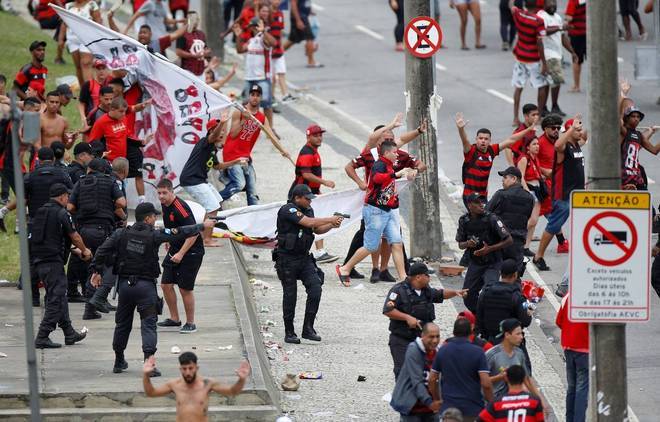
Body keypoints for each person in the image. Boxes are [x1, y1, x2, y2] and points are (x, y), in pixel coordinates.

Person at [89, 202, 215, 375]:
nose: (156, 219)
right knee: (148, 325)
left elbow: (102, 250)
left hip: (125, 287)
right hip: (145, 288)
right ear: (148, 218)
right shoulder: (155, 235)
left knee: (122, 325)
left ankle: (119, 361)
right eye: (154, 216)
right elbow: (181, 232)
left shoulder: (120, 234)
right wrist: (202, 226)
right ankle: (149, 365)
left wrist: (96, 271)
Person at [344, 114, 428, 282]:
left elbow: (405, 142)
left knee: (395, 241)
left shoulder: (396, 153)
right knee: (368, 241)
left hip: (391, 205)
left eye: (392, 139)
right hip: (375, 205)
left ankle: (396, 273)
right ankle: (352, 267)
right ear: (379, 143)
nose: (391, 142)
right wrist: (362, 182)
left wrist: (418, 132)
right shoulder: (372, 156)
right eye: (386, 139)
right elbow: (375, 176)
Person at [335, 141, 417, 286]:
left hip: (389, 209)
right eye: (394, 152)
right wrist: (396, 174)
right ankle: (345, 268)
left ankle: (403, 278)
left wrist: (409, 172)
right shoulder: (379, 165)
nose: (397, 154)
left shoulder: (390, 165)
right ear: (386, 153)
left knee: (396, 243)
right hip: (375, 211)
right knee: (371, 246)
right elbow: (377, 178)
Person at [274, 184, 344, 344]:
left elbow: (317, 230)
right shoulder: (288, 210)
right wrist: (330, 219)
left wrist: (332, 224)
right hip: (287, 259)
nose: (310, 202)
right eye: (307, 199)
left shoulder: (308, 210)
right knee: (290, 295)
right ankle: (289, 332)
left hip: (304, 258)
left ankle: (308, 328)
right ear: (297, 197)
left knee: (315, 289)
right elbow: (307, 222)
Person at [31, 183, 91, 348]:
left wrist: (76, 251)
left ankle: (69, 333)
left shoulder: (41, 212)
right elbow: (74, 236)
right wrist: (85, 250)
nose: (68, 199)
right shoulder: (61, 213)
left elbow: (52, 237)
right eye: (67, 196)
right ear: (63, 196)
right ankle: (43, 335)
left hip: (40, 262)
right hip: (52, 262)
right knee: (56, 300)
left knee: (60, 297)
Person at [382, 262, 467, 378]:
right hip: (402, 339)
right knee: (402, 371)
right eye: (427, 275)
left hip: (422, 340)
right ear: (418, 277)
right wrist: (407, 317)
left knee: (423, 372)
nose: (429, 278)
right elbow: (388, 310)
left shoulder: (426, 290)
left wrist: (455, 293)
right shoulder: (398, 290)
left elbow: (440, 294)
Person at [68, 158, 127, 319]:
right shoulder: (110, 182)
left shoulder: (80, 182)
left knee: (91, 268)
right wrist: (110, 205)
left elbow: (70, 207)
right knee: (110, 265)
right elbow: (121, 202)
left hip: (84, 231)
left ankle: (89, 310)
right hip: (103, 231)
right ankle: (99, 297)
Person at [220, 84, 290, 205]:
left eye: (258, 95)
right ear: (249, 96)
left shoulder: (262, 118)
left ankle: (255, 215)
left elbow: (271, 135)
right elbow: (232, 134)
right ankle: (216, 200)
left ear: (261, 98)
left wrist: (283, 150)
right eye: (253, 95)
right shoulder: (239, 111)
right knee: (240, 184)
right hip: (232, 155)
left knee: (252, 191)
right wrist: (244, 120)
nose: (255, 98)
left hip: (246, 157)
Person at [533, 116, 586, 271]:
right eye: (577, 130)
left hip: (577, 194)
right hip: (563, 194)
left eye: (579, 129)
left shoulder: (576, 145)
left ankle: (582, 253)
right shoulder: (564, 147)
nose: (580, 132)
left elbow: (587, 136)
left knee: (582, 224)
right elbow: (557, 145)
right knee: (554, 225)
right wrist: (570, 129)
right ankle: (538, 256)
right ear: (568, 132)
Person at [143, 352, 251, 421]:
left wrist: (241, 379)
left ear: (197, 368)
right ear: (180, 369)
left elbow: (232, 391)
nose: (188, 372)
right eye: (184, 369)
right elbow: (151, 393)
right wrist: (146, 375)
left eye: (191, 368)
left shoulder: (208, 384)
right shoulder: (174, 385)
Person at [157, 179, 204, 334]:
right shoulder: (165, 205)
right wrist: (170, 241)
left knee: (185, 288)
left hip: (191, 252)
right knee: (165, 285)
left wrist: (181, 253)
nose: (161, 196)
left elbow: (194, 233)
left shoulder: (180, 208)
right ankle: (174, 319)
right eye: (159, 193)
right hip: (175, 248)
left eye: (164, 193)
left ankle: (191, 323)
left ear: (172, 192)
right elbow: (172, 228)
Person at [455, 112, 534, 205]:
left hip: (482, 196)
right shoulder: (471, 151)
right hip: (470, 196)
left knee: (486, 217)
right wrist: (461, 129)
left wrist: (528, 130)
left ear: (490, 141)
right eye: (480, 138)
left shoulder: (491, 150)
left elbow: (511, 140)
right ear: (476, 139)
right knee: (484, 217)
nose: (483, 141)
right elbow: (465, 141)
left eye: (486, 139)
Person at [456, 193, 512, 312]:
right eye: (477, 203)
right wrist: (468, 244)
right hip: (475, 263)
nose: (481, 205)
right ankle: (480, 316)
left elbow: (509, 240)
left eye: (482, 202)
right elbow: (460, 244)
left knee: (491, 292)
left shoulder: (492, 218)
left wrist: (489, 249)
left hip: (493, 262)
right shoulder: (464, 220)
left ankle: (490, 317)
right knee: (467, 295)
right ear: (470, 206)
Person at [428, 318, 493, 421]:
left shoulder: (443, 350)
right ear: (470, 332)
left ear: (454, 332)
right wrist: (491, 403)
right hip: (472, 408)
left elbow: (431, 379)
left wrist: (437, 399)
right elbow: (486, 384)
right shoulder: (478, 352)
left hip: (449, 408)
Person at [180, 116, 231, 246]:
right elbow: (213, 136)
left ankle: (203, 234)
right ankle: (206, 239)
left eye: (223, 131)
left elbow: (217, 166)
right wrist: (223, 123)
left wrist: (236, 161)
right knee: (212, 207)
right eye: (219, 131)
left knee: (217, 202)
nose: (222, 133)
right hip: (192, 180)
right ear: (211, 132)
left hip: (200, 180)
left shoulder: (212, 149)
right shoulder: (205, 142)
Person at [289, 124, 337, 264]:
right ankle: (317, 252)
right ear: (308, 137)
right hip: (301, 195)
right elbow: (306, 174)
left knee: (314, 219)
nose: (319, 138)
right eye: (315, 136)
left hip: (309, 193)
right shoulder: (307, 153)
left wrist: (317, 190)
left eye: (320, 135)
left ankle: (319, 251)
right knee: (306, 221)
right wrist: (324, 182)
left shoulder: (313, 151)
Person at [486, 167, 534, 274]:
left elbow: (486, 213)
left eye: (505, 177)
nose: (502, 180)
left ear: (514, 179)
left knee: (493, 272)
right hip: (518, 242)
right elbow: (527, 216)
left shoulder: (501, 194)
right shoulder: (529, 198)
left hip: (500, 240)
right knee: (514, 275)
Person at [390, 323, 442, 421]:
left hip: (431, 409)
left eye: (437, 336)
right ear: (422, 336)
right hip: (412, 408)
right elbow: (417, 381)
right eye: (431, 337)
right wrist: (430, 402)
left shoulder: (439, 352)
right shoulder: (414, 349)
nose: (435, 340)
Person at [485, 319, 544, 404]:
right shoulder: (492, 355)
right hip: (494, 404)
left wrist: (540, 400)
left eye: (522, 333)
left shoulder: (519, 354)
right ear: (507, 335)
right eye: (518, 334)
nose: (521, 337)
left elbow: (526, 379)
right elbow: (480, 380)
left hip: (513, 402)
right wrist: (499, 377)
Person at [536, 0, 579, 117]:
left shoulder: (557, 17)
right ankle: (547, 107)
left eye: (554, 2)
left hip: (557, 54)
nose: (553, 5)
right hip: (548, 54)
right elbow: (543, 32)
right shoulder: (541, 16)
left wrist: (572, 52)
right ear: (544, 4)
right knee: (552, 82)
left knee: (552, 82)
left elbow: (562, 37)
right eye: (550, 2)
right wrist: (560, 27)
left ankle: (549, 107)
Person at [510, 0, 548, 126]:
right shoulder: (538, 21)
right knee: (541, 86)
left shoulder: (519, 14)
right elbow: (539, 42)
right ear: (537, 5)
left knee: (518, 87)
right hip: (533, 59)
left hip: (520, 56)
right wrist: (544, 62)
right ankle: (539, 116)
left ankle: (515, 117)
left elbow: (511, 6)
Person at [476, 259, 532, 343]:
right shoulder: (517, 297)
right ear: (515, 275)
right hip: (510, 343)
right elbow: (526, 321)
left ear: (500, 273)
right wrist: (529, 311)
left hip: (489, 340)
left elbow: (479, 317)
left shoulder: (486, 292)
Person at [235, 14, 276, 127]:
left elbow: (273, 43)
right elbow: (239, 50)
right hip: (249, 77)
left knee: (266, 105)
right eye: (252, 27)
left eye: (255, 27)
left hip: (262, 77)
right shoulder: (251, 40)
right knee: (245, 105)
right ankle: (243, 127)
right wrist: (238, 36)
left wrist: (264, 32)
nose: (253, 29)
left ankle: (270, 129)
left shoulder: (264, 39)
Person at [556, 294, 589, 422]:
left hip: (568, 346)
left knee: (572, 386)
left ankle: (569, 419)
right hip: (585, 347)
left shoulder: (568, 296)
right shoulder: (594, 297)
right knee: (582, 387)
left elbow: (559, 321)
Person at [477, 365, 545, 422]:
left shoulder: (496, 403)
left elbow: (481, 420)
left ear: (506, 378)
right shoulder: (534, 401)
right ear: (523, 378)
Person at [60, 0, 102, 86]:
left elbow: (98, 22)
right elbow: (64, 23)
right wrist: (61, 39)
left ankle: (91, 92)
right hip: (72, 40)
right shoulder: (69, 6)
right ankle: (84, 93)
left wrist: (97, 39)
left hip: (87, 39)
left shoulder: (92, 5)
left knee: (86, 64)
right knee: (78, 67)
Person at [516, 138, 545, 257]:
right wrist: (526, 191)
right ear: (527, 147)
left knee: (534, 221)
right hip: (529, 191)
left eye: (538, 144)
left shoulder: (535, 158)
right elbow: (520, 176)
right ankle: (513, 237)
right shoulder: (524, 158)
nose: (537, 146)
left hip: (536, 191)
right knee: (531, 220)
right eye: (534, 144)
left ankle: (526, 247)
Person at [619, 105, 658, 190]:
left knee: (645, 200)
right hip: (624, 175)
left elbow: (654, 150)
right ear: (627, 118)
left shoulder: (639, 135)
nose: (636, 119)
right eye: (633, 116)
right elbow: (617, 121)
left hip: (636, 176)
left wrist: (650, 132)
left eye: (638, 117)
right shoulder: (623, 132)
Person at [283, 0, 321, 67]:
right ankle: (311, 61)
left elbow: (306, 3)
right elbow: (293, 4)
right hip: (300, 18)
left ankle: (274, 54)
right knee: (309, 38)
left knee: (292, 40)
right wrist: (298, 20)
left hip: (303, 16)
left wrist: (310, 11)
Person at [270, 0, 294, 102]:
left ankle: (285, 94)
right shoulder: (268, 14)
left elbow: (280, 31)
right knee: (272, 76)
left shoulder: (280, 13)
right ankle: (271, 96)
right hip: (270, 48)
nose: (277, 1)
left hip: (279, 48)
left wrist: (281, 46)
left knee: (281, 71)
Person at [77, 59, 110, 130]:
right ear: (94, 70)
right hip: (92, 122)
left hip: (108, 121)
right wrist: (83, 119)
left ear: (107, 69)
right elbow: (81, 103)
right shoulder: (88, 84)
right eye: (98, 69)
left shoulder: (111, 84)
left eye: (103, 68)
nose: (101, 71)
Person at [175, 11, 207, 77]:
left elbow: (205, 47)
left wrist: (206, 52)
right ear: (187, 20)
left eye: (197, 19)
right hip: (188, 70)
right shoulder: (183, 34)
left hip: (201, 70)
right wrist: (193, 55)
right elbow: (178, 52)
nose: (195, 22)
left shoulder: (201, 34)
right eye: (193, 19)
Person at [565, 0, 586, 93]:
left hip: (576, 33)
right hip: (586, 31)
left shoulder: (573, 1)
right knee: (582, 59)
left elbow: (569, 17)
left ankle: (576, 85)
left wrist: (565, 20)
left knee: (576, 59)